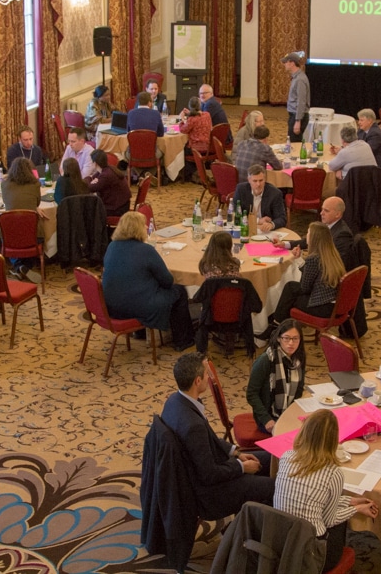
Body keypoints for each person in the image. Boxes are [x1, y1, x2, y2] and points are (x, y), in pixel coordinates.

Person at [160, 352, 274, 519]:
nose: (210, 377)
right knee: (277, 486)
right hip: (212, 492)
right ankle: (252, 528)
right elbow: (209, 475)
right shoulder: (193, 426)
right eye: (207, 373)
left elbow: (209, 441)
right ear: (197, 381)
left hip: (214, 466)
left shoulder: (175, 401)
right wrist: (242, 467)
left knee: (273, 457)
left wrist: (237, 452)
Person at [275, 409, 379, 571]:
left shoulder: (286, 456)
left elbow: (313, 498)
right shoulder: (333, 473)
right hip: (311, 552)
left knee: (332, 507)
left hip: (281, 540)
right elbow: (329, 519)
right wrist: (357, 509)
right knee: (339, 524)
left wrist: (350, 501)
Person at [104, 212, 195, 351]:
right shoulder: (145, 250)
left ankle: (139, 332)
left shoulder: (112, 246)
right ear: (137, 229)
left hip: (111, 306)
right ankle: (183, 340)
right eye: (143, 225)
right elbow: (168, 281)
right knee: (180, 291)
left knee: (139, 285)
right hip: (137, 306)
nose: (146, 227)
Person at [267, 222, 345, 334]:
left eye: (308, 233)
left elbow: (305, 288)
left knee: (288, 298)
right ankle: (276, 325)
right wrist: (299, 259)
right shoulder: (332, 253)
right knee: (290, 287)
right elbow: (313, 276)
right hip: (335, 304)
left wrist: (299, 261)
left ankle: (276, 328)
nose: (306, 236)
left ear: (314, 238)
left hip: (323, 307)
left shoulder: (313, 259)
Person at [246, 320, 307, 434]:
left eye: (295, 339)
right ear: (279, 338)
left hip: (289, 412)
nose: (291, 343)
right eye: (286, 338)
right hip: (268, 417)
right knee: (300, 437)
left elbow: (299, 389)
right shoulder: (266, 360)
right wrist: (266, 419)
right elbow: (251, 394)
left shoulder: (299, 359)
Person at [272, 196, 354, 268]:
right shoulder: (329, 224)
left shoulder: (342, 235)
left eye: (326, 211)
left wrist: (301, 261)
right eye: (322, 209)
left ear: (337, 214)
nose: (321, 213)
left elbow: (332, 263)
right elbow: (311, 239)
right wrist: (285, 244)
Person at [0, 157, 45, 284]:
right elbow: (37, 202)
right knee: (33, 235)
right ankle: (24, 267)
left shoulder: (5, 185)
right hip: (33, 234)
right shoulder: (35, 184)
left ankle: (18, 267)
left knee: (10, 237)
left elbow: (6, 202)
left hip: (11, 234)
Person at [233, 164, 287, 233]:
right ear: (249, 180)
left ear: (265, 179)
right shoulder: (241, 189)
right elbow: (235, 214)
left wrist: (271, 224)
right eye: (255, 181)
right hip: (246, 229)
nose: (258, 184)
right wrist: (258, 221)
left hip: (265, 231)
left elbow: (282, 218)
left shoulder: (275, 193)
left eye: (261, 180)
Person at [86, 149, 131, 218]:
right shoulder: (109, 168)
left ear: (95, 163)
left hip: (117, 209)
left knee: (90, 209)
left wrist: (91, 180)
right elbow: (92, 179)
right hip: (122, 204)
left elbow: (90, 188)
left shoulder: (106, 175)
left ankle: (98, 228)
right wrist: (91, 179)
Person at [356, 108, 381, 181]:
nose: (359, 122)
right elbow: (354, 143)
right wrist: (342, 148)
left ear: (370, 121)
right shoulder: (361, 130)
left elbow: (367, 152)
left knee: (354, 172)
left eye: (361, 120)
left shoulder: (375, 133)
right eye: (359, 120)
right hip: (372, 162)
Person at [282, 51, 310, 141]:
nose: (284, 65)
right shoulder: (296, 78)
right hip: (294, 116)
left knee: (294, 144)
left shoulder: (300, 79)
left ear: (292, 63)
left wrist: (298, 121)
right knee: (292, 142)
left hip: (297, 116)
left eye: (286, 62)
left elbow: (301, 101)